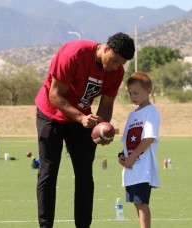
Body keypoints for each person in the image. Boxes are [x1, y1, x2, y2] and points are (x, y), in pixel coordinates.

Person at [35, 32, 135, 228]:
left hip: (82, 119)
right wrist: (81, 117)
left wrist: (102, 129)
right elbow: (54, 95)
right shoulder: (74, 54)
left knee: (84, 174)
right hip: (51, 114)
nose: (115, 67)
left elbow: (106, 105)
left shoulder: (117, 71)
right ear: (106, 48)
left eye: (120, 64)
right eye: (114, 60)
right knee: (48, 172)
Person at [118, 72, 160, 228]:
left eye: (136, 93)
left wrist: (132, 158)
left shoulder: (151, 112)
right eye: (130, 93)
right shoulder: (132, 115)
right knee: (136, 203)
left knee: (142, 203)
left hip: (142, 167)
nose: (132, 96)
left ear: (148, 91)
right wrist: (122, 156)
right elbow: (127, 141)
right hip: (131, 167)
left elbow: (149, 138)